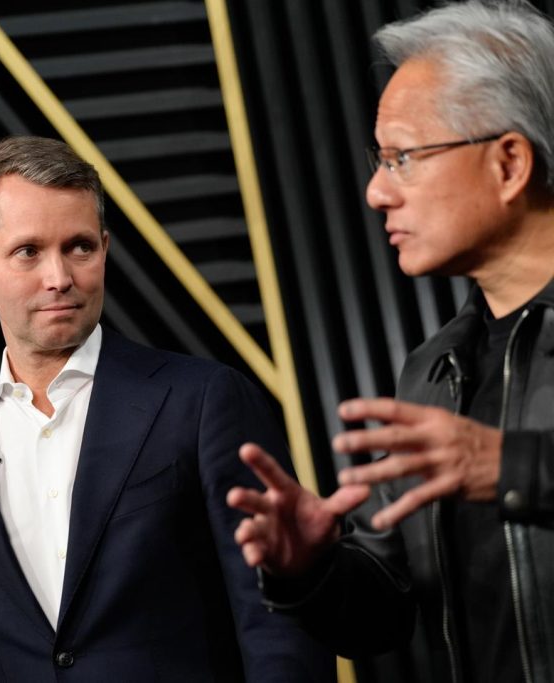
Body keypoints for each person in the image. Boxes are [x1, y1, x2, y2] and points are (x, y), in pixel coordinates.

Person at [0, 135, 333, 681]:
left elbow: (277, 625)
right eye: (28, 252)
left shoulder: (204, 401)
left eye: (79, 247)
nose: (59, 278)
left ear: (104, 249)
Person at [227, 1, 554, 682]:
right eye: (380, 161)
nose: (377, 192)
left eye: (403, 157)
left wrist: (515, 468)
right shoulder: (434, 370)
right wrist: (310, 567)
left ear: (509, 163)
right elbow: (387, 611)